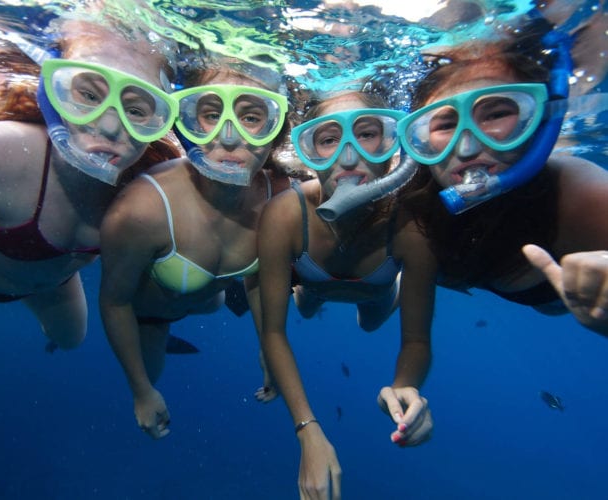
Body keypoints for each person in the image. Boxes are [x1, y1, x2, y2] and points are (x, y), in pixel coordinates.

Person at [0, 18, 180, 380]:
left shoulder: (151, 184)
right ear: (51, 90)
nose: (111, 127)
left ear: (159, 120)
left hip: (56, 283)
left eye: (136, 110)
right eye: (88, 94)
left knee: (71, 339)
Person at [257, 86, 437, 499]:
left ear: (392, 144)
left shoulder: (411, 224)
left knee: (372, 324)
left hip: (373, 294)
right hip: (314, 283)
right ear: (308, 149)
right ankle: (314, 291)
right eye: (329, 139)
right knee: (304, 305)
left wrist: (406, 384)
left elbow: (416, 340)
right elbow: (272, 332)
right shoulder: (284, 215)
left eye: (368, 134)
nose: (350, 157)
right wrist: (307, 430)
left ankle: (370, 289)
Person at [98, 56, 292, 439]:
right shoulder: (142, 210)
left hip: (207, 291)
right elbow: (114, 301)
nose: (230, 136)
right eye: (209, 114)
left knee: (222, 294)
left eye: (251, 117)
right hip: (152, 316)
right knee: (82, 343)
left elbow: (258, 275)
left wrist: (267, 345)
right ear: (184, 120)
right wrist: (141, 391)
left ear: (276, 129)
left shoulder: (280, 195)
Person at [397, 30, 608, 335]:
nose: (466, 148)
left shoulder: (579, 194)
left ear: (539, 121)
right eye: (445, 124)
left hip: (550, 298)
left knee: (550, 308)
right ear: (419, 139)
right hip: (468, 274)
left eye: (495, 114)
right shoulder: (405, 195)